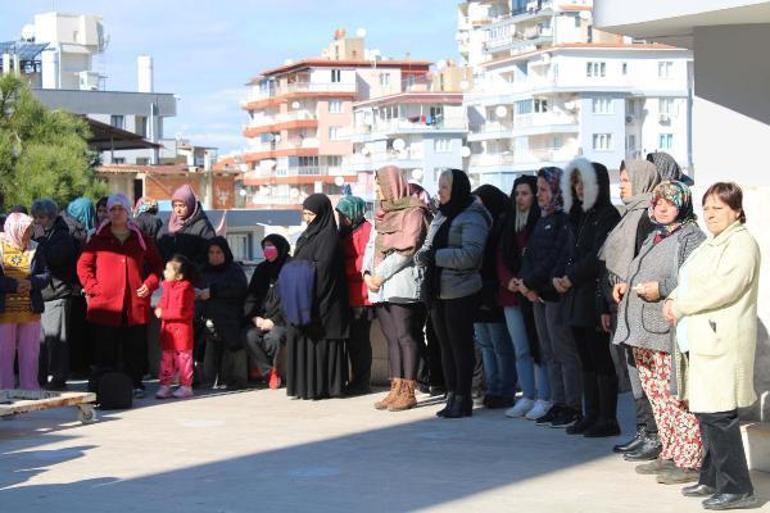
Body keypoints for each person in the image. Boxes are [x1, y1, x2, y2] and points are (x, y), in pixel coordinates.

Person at [664, 182, 760, 509]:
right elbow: (688, 278)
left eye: (718, 209)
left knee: (719, 415)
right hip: (703, 338)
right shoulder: (714, 243)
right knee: (706, 413)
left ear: (736, 210)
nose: (710, 215)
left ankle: (738, 488)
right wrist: (674, 297)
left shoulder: (741, 244)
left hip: (722, 340)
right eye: (706, 208)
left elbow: (723, 288)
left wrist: (680, 305)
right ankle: (712, 478)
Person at [613, 180, 705, 483]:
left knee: (676, 396)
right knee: (657, 397)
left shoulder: (691, 237)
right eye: (657, 201)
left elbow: (693, 278)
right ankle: (669, 451)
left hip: (665, 329)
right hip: (642, 332)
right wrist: (626, 285)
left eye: (669, 201)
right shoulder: (654, 235)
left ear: (683, 203)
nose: (661, 207)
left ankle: (689, 460)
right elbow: (639, 270)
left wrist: (662, 289)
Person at [600, 159, 663, 457]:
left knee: (645, 375)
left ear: (641, 181)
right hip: (622, 306)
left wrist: (630, 283)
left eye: (626, 180)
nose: (621, 185)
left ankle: (653, 434)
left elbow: (646, 262)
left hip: (642, 309)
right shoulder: (628, 214)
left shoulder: (649, 216)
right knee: (633, 372)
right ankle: (643, 430)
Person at [554, 159, 621, 436]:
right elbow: (567, 251)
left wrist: (571, 277)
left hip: (593, 295)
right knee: (585, 359)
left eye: (585, 183)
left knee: (600, 358)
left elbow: (598, 256)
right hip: (574, 295)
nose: (580, 188)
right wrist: (559, 276)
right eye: (576, 183)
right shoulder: (579, 215)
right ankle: (590, 413)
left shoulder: (607, 215)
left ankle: (607, 418)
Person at [415, 169, 490, 418]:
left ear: (457, 188)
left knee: (461, 346)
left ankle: (463, 397)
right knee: (445, 346)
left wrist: (436, 257)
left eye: (445, 187)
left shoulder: (473, 216)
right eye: (439, 186)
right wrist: (423, 256)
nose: (440, 191)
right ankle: (452, 394)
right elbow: (427, 245)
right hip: (437, 290)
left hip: (461, 290)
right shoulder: (441, 216)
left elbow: (471, 255)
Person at [77, 193, 163, 398]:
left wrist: (150, 284)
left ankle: (135, 383)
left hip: (133, 303)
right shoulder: (98, 238)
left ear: (128, 212)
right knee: (105, 348)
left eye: (120, 209)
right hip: (105, 304)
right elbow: (83, 265)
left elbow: (157, 265)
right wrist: (93, 287)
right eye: (112, 209)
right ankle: (104, 386)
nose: (116, 213)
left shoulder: (141, 238)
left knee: (134, 347)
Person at [515, 167, 578, 426]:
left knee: (564, 352)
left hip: (553, 295)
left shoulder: (563, 220)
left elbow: (556, 257)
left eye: (543, 189)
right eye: (538, 190)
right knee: (548, 352)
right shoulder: (543, 218)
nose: (540, 195)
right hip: (537, 294)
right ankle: (557, 401)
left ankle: (572, 404)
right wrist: (525, 284)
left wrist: (531, 283)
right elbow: (530, 257)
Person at [364, 166, 430, 411]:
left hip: (402, 283)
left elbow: (407, 249)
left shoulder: (413, 212)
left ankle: (408, 390)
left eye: (381, 185)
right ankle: (395, 387)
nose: (378, 191)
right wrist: (367, 273)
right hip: (382, 285)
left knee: (406, 336)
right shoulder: (383, 213)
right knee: (392, 338)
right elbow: (372, 247)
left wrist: (379, 275)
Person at [284, 193, 350, 400]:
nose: (307, 218)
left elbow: (324, 269)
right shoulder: (308, 234)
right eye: (304, 213)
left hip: (324, 300)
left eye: (311, 213)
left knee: (323, 342)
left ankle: (325, 387)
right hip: (306, 297)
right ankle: (304, 387)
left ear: (321, 213)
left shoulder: (329, 236)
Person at [500, 175, 550, 419]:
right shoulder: (509, 223)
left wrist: (527, 283)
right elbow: (500, 257)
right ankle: (527, 395)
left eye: (526, 193)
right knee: (521, 349)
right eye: (517, 193)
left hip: (533, 293)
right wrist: (509, 280)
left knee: (539, 347)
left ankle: (544, 397)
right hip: (513, 295)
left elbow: (541, 258)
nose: (521, 198)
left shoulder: (541, 222)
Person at [472, 184, 516, 409]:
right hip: (479, 290)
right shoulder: (482, 224)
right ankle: (492, 387)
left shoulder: (503, 224)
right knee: (485, 343)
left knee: (500, 343)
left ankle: (505, 388)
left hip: (497, 289)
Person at [31, 198, 80, 390]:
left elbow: (54, 258)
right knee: (40, 342)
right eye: (35, 217)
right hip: (41, 295)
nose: (38, 221)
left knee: (56, 340)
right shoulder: (39, 235)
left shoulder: (62, 236)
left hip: (57, 293)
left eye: (41, 217)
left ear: (51, 217)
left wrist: (41, 240)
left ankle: (58, 377)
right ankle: (40, 377)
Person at [0, 213, 49, 390]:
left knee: (30, 354)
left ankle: (30, 390)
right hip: (4, 312)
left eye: (30, 231)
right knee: (3, 355)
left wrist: (31, 283)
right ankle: (4, 393)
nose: (29, 235)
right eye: (25, 231)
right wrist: (14, 285)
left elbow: (45, 275)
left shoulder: (36, 247)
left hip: (30, 310)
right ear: (14, 230)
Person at [335, 195, 374, 396]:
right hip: (349, 295)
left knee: (360, 342)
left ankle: (361, 381)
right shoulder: (346, 232)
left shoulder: (366, 231)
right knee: (352, 342)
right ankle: (355, 379)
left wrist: (342, 268)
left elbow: (364, 263)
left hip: (362, 297)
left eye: (344, 216)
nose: (342, 220)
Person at [199, 237, 249, 390]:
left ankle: (236, 379)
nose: (215, 256)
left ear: (225, 253)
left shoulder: (234, 270)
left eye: (218, 252)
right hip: (207, 317)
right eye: (211, 252)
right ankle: (207, 379)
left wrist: (214, 291)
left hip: (230, 315)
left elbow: (238, 289)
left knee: (230, 334)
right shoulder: (203, 270)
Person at [244, 234, 291, 389]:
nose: (267, 250)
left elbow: (290, 300)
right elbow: (252, 296)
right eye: (265, 247)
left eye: (271, 246)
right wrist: (254, 317)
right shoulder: (262, 269)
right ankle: (270, 372)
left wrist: (274, 320)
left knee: (274, 337)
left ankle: (276, 370)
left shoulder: (290, 267)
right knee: (250, 336)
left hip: (283, 320)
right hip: (262, 318)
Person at [154, 254, 197, 399]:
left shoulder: (186, 289)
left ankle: (186, 385)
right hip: (168, 331)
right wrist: (159, 308)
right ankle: (165, 385)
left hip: (182, 331)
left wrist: (163, 313)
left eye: (168, 270)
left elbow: (181, 312)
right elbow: (163, 301)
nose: (164, 272)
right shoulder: (167, 286)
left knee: (184, 359)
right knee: (166, 359)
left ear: (179, 276)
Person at [157, 184, 216, 270]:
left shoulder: (203, 226)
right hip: (169, 277)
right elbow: (159, 245)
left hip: (192, 277)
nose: (178, 210)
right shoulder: (169, 223)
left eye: (182, 206)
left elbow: (208, 254)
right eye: (175, 206)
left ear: (190, 205)